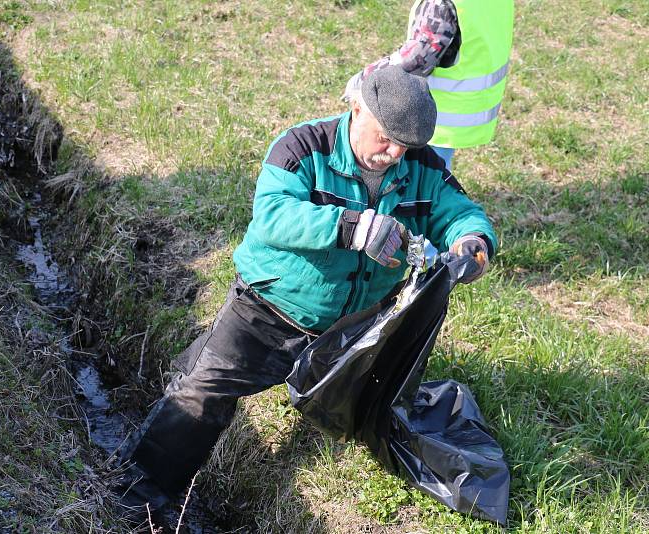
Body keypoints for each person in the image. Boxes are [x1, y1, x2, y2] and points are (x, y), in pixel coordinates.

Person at [113, 66, 497, 523]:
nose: (394, 154)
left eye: (405, 146)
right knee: (200, 391)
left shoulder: (422, 167)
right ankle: (138, 499)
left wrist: (472, 242)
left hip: (356, 328)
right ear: (357, 108)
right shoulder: (302, 147)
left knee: (384, 413)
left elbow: (461, 213)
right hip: (270, 311)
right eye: (385, 138)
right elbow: (272, 215)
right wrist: (349, 227)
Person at [343, 0, 515, 170]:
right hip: (470, 103)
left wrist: (367, 78)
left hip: (434, 113)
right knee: (436, 169)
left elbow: (417, 59)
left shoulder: (440, 4)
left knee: (420, 173)